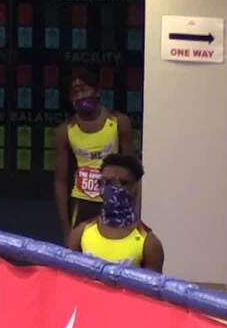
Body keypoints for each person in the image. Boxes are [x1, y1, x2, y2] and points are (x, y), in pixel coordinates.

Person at [53, 67, 137, 231]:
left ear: (97, 91)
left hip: (114, 201)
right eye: (75, 93)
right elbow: (60, 181)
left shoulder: (119, 122)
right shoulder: (65, 130)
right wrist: (66, 226)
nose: (80, 97)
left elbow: (133, 173)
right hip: (81, 204)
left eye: (84, 90)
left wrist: (133, 211)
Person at [67, 153, 163, 272]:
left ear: (136, 187)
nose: (114, 188)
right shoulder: (81, 233)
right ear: (99, 186)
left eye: (123, 183)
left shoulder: (149, 243)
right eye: (107, 182)